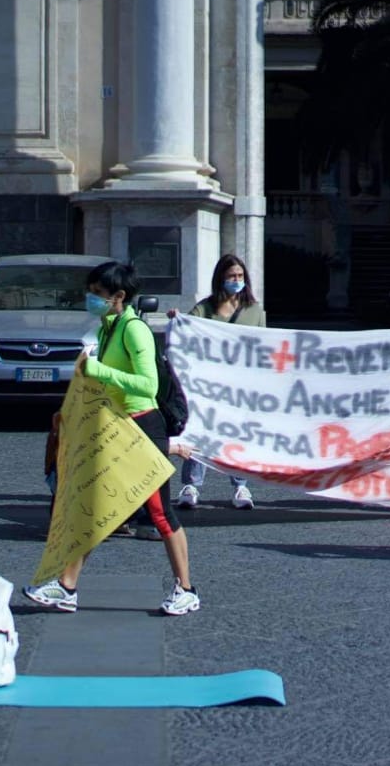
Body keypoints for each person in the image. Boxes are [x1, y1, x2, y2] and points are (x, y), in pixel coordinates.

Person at [24, 260, 200, 615]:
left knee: (160, 513)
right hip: (117, 426)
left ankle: (186, 589)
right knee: (97, 508)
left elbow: (147, 385)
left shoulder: (134, 330)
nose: (90, 298)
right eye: (90, 291)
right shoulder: (107, 327)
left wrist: (97, 370)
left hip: (142, 424)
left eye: (97, 293)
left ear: (119, 296)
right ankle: (67, 587)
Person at [173, 254, 264, 510]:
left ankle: (240, 485)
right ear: (221, 279)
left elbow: (263, 347)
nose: (236, 280)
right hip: (208, 385)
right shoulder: (205, 308)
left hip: (240, 387)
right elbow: (187, 328)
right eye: (231, 276)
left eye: (240, 276)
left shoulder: (254, 310)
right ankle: (191, 485)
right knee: (201, 431)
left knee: (237, 435)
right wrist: (177, 319)